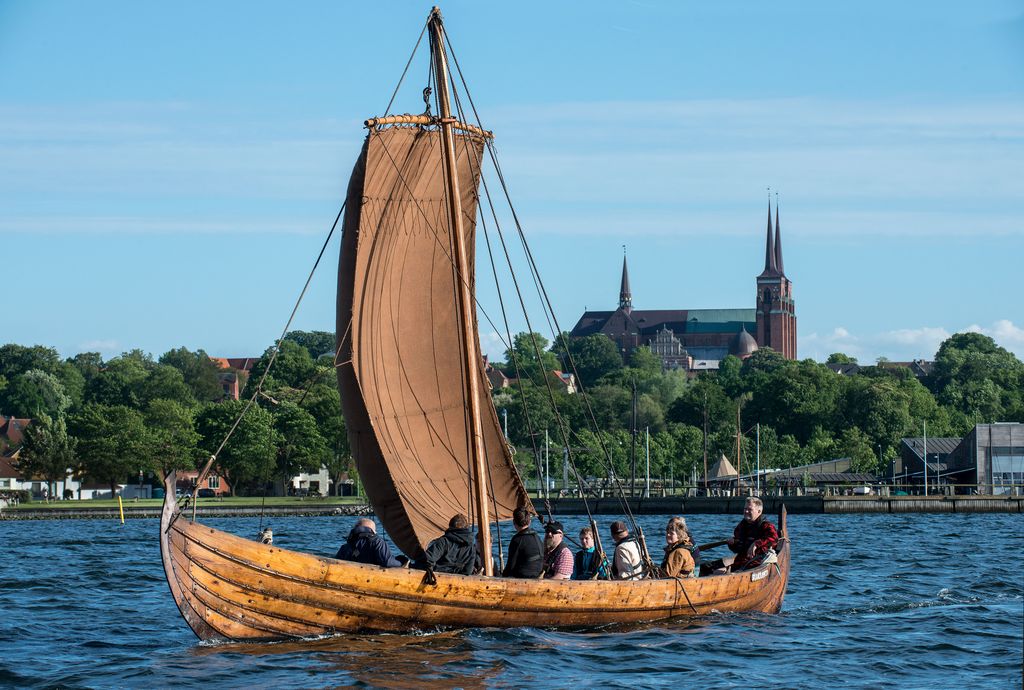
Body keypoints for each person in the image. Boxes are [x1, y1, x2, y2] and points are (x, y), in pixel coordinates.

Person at [335, 517, 402, 568]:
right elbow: (387, 563)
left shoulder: (345, 547)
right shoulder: (378, 542)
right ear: (373, 531)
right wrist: (401, 562)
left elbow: (336, 564)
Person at [502, 507, 544, 578]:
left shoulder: (517, 540)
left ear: (514, 522)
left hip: (522, 579)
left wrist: (502, 577)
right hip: (538, 576)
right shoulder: (537, 537)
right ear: (529, 522)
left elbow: (510, 566)